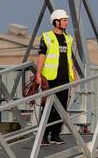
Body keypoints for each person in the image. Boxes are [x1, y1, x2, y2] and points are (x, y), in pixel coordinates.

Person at [35, 9, 76, 146]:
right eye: (64, 20)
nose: (66, 23)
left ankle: (55, 134)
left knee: (61, 107)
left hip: (64, 78)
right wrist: (38, 74)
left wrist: (74, 76)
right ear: (56, 22)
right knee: (48, 107)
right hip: (51, 79)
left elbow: (70, 59)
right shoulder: (46, 37)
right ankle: (44, 135)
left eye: (66, 20)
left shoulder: (69, 39)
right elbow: (41, 56)